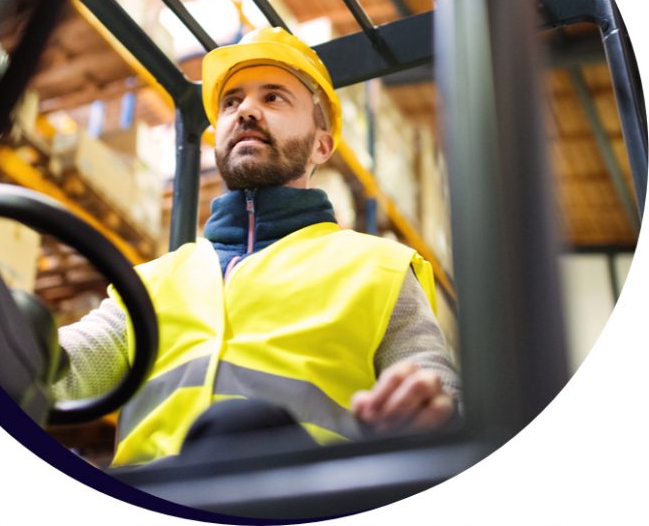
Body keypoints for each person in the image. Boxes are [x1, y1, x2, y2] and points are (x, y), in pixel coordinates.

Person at [55, 27, 460, 467]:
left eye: (273, 98)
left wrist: (424, 413)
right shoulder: (151, 282)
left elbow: (436, 392)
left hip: (304, 497)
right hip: (153, 495)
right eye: (231, 102)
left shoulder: (379, 269)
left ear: (321, 146)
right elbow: (65, 366)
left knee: (240, 426)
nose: (246, 110)